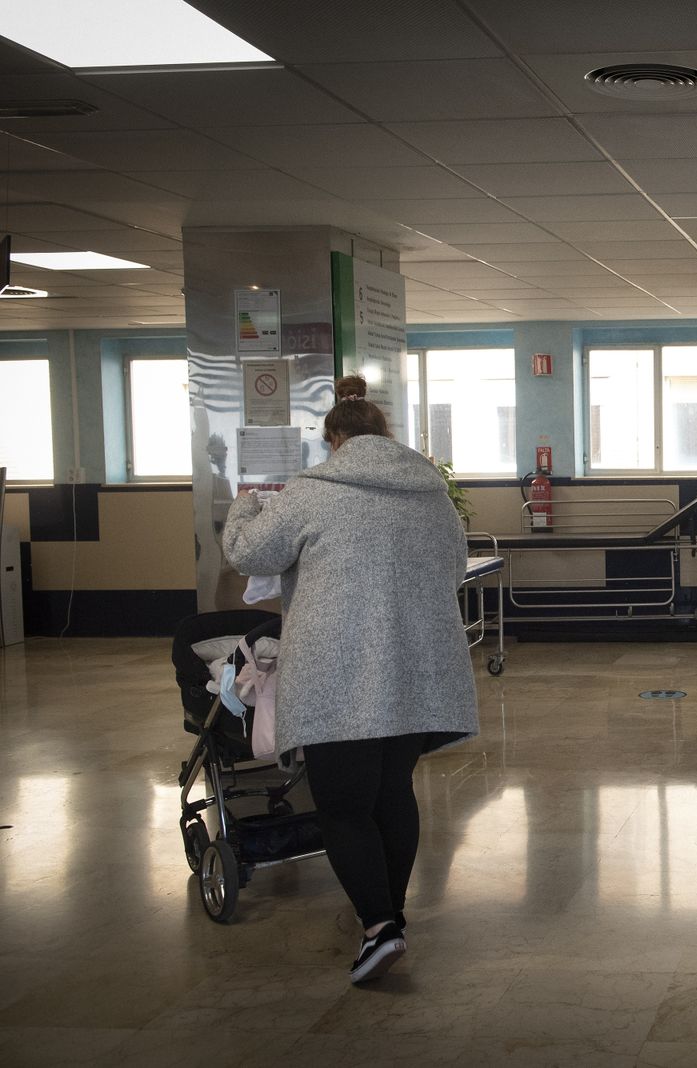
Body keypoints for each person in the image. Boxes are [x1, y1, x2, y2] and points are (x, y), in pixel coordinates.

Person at [222, 374, 478, 983]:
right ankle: (392, 916)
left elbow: (249, 554)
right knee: (392, 794)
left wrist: (245, 504)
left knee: (341, 806)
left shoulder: (312, 493)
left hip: (340, 676)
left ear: (334, 441)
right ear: (385, 437)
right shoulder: (431, 494)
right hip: (417, 673)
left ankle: (378, 927)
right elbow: (453, 567)